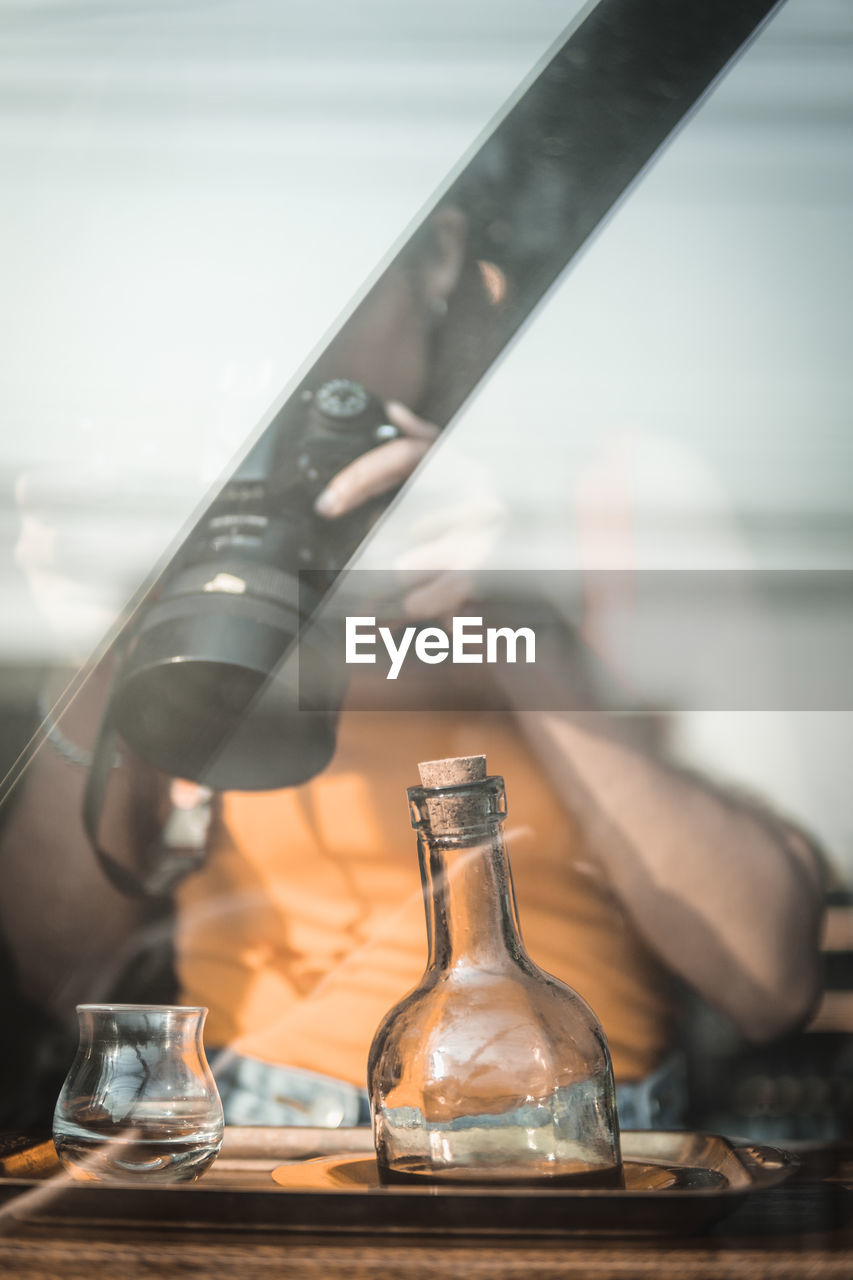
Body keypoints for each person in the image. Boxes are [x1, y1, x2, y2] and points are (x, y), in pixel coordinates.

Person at [0, 159, 826, 1129]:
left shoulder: (618, 499)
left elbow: (768, 976)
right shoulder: (209, 506)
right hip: (252, 1118)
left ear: (438, 255)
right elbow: (64, 970)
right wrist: (110, 639)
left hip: (563, 1134)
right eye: (237, 289)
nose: (284, 338)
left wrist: (514, 620)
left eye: (320, 276)